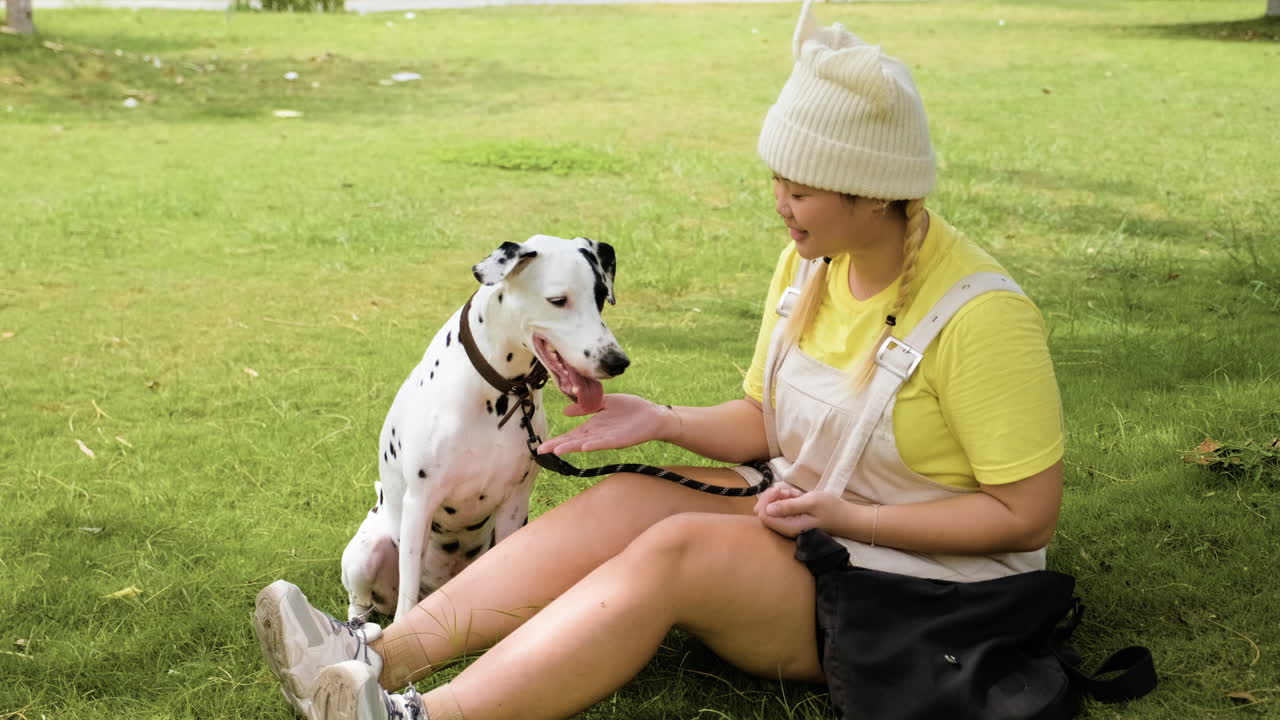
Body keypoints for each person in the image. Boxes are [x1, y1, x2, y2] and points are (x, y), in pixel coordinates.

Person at [251, 2, 1064, 718]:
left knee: (677, 551)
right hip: (818, 520)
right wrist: (660, 422)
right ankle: (369, 657)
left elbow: (1024, 517)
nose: (780, 204)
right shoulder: (811, 266)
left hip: (929, 590)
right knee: (626, 500)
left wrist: (853, 519)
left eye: (801, 189)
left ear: (875, 191)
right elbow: (766, 421)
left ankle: (419, 719)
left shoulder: (982, 317)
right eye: (777, 180)